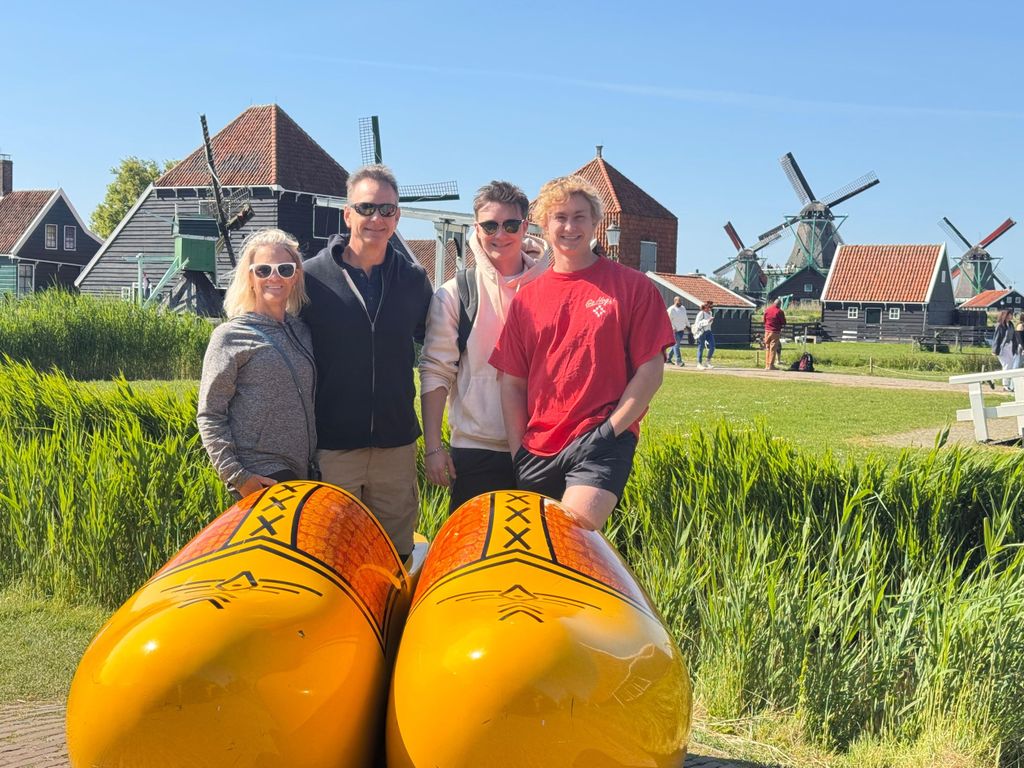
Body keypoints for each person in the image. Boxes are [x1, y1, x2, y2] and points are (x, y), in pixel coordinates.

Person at [489, 175, 673, 531]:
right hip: (538, 446)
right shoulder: (528, 298)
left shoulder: (632, 287)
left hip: (600, 438)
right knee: (541, 550)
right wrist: (518, 451)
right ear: (543, 225)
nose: (570, 227)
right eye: (560, 217)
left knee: (570, 534)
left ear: (595, 222)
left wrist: (611, 431)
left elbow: (651, 370)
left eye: (579, 217)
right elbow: (512, 382)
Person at [302, 165, 433, 557]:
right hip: (333, 447)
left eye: (386, 209)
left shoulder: (413, 279)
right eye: (366, 208)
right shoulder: (311, 278)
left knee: (395, 555)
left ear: (398, 216)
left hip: (396, 445)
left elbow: (440, 345)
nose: (377, 218)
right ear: (348, 214)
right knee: (333, 554)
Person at [419, 181, 548, 512]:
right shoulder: (456, 293)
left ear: (525, 227)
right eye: (490, 225)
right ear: (476, 228)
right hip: (478, 449)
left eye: (510, 225)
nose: (500, 234)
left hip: (544, 445)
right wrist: (433, 447)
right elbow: (436, 370)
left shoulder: (551, 287)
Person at [197, 228, 316, 499]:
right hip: (262, 474)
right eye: (263, 270)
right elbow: (210, 413)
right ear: (250, 278)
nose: (274, 277)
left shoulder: (303, 332)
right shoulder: (230, 336)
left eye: (284, 269)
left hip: (303, 471)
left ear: (295, 276)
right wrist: (238, 476)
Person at [991, 308, 1020, 392]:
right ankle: (1005, 385)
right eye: (1010, 314)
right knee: (1007, 365)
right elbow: (997, 338)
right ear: (1006, 315)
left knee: (1009, 366)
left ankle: (993, 379)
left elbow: (1013, 336)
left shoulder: (1010, 324)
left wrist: (1016, 346)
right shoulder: (1000, 325)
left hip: (1009, 347)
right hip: (1002, 348)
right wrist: (995, 350)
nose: (1012, 316)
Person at [763, 298, 786, 370]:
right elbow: (783, 322)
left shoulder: (767, 310)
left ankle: (767, 365)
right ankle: (771, 365)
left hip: (767, 331)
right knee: (773, 349)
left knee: (767, 347)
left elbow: (764, 320)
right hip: (775, 332)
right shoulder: (780, 311)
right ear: (779, 304)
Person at [666, 295, 689, 366]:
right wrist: (673, 328)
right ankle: (679, 361)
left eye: (681, 301)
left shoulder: (683, 308)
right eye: (679, 301)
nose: (680, 302)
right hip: (674, 330)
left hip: (681, 329)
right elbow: (668, 320)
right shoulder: (671, 309)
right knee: (676, 345)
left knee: (676, 345)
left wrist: (688, 326)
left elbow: (685, 318)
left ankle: (668, 359)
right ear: (675, 301)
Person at [693, 301, 716, 369]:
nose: (710, 308)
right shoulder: (701, 313)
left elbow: (709, 323)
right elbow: (697, 324)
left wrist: (710, 321)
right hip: (701, 332)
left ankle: (707, 362)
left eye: (711, 307)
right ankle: (699, 363)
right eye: (709, 307)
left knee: (712, 346)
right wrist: (707, 321)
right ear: (705, 307)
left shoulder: (710, 313)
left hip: (709, 331)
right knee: (701, 347)